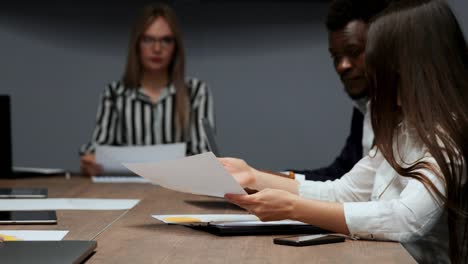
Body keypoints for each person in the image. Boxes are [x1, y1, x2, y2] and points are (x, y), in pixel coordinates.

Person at [221, 0, 468, 263]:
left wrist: (293, 208)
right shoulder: (402, 127)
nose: (374, 78)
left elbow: (406, 219)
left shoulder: (450, 135)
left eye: (381, 67)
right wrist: (252, 176)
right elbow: (345, 192)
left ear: (416, 68)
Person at [79, 3, 215, 176]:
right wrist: (90, 160)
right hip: (126, 189)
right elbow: (99, 148)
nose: (157, 49)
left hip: (180, 189)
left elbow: (203, 155)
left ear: (176, 46)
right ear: (136, 44)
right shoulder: (114, 93)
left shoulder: (196, 91)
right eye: (148, 39)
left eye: (166, 40)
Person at [288, 0, 390, 181]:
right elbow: (342, 173)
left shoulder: (410, 114)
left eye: (354, 51)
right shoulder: (364, 107)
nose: (342, 66)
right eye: (336, 57)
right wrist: (269, 179)